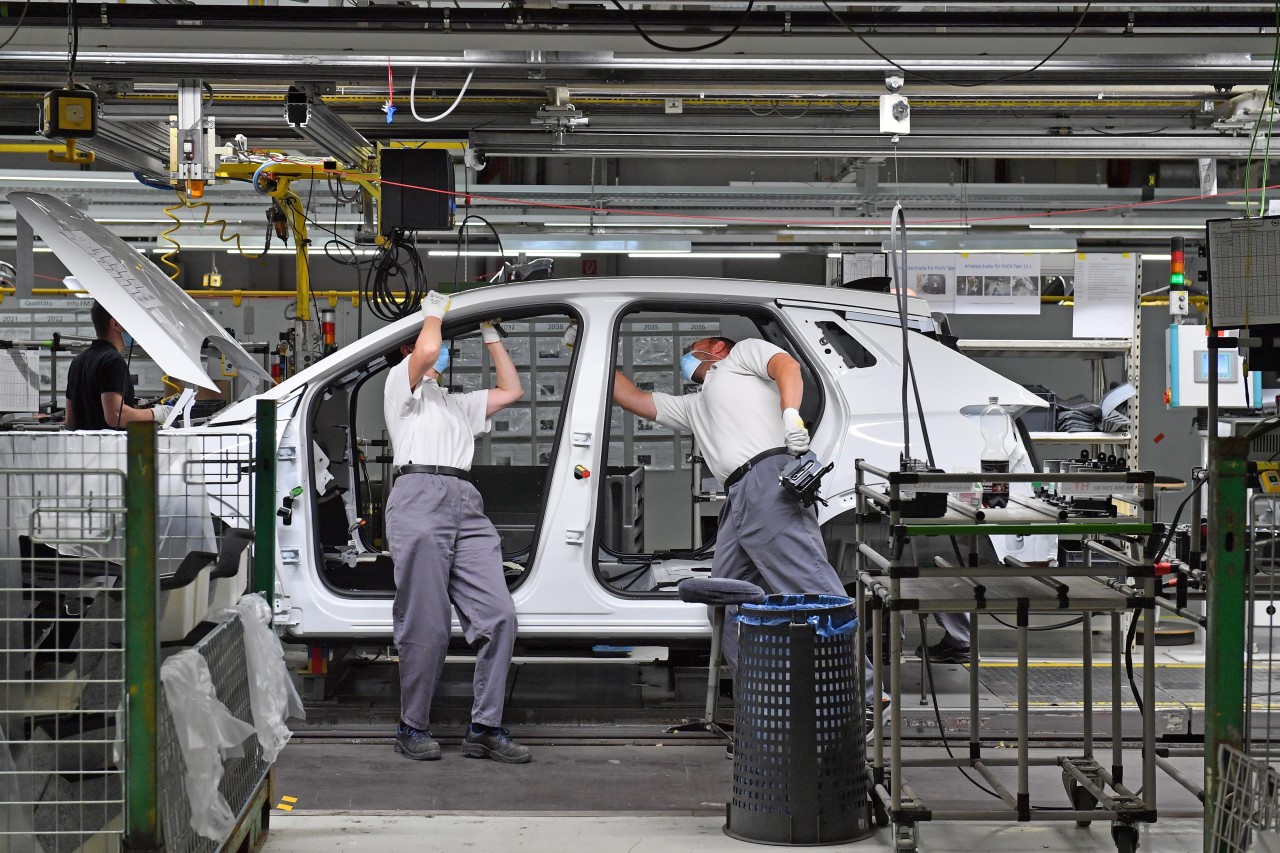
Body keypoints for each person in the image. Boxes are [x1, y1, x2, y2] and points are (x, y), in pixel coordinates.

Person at [602, 331, 884, 712]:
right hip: (736, 494)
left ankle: (868, 697)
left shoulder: (741, 356)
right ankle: (765, 704)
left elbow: (787, 366)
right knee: (726, 601)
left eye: (692, 348)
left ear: (717, 347)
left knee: (812, 588)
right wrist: (584, 344)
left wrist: (790, 414)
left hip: (768, 478)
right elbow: (633, 397)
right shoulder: (695, 405)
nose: (686, 357)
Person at [382, 290, 530, 764]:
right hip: (418, 493)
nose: (441, 351)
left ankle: (484, 727)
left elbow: (512, 390)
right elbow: (425, 349)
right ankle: (412, 726)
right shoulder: (400, 389)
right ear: (408, 351)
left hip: (466, 501)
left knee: (498, 617)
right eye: (436, 343)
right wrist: (431, 314)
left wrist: (491, 334)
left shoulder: (454, 403)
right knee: (426, 623)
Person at [65, 302, 172, 430]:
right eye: (129, 321)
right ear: (115, 324)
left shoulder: (77, 361)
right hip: (108, 447)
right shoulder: (112, 360)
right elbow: (116, 415)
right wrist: (159, 413)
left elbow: (70, 421)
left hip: (83, 447)